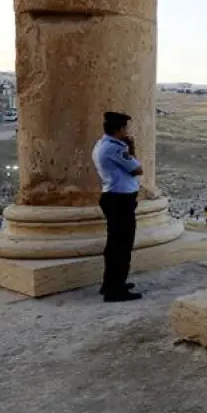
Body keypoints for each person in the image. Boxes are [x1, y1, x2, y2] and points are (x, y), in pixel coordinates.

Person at [93, 111, 144, 302]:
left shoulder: (102, 144)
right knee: (122, 246)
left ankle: (110, 283)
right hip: (120, 200)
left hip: (113, 197)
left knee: (115, 244)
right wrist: (132, 147)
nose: (128, 131)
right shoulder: (115, 149)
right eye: (125, 128)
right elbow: (137, 169)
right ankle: (116, 289)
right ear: (119, 129)